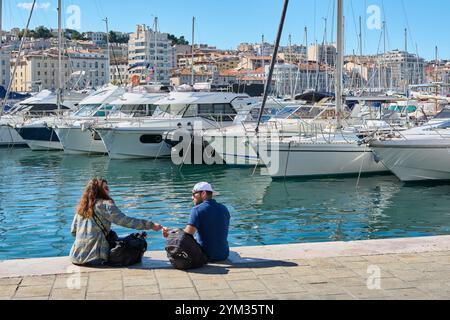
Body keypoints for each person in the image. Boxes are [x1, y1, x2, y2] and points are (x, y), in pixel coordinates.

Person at [70, 178, 162, 266]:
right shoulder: (105, 205)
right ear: (99, 191)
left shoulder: (82, 208)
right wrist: (151, 225)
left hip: (75, 257)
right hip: (94, 259)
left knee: (112, 235)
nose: (108, 190)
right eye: (106, 188)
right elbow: (126, 221)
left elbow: (73, 232)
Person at [163, 182, 230, 262]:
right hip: (224, 255)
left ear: (203, 193)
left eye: (194, 194)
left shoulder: (197, 210)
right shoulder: (224, 208)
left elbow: (185, 236)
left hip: (205, 256)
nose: (192, 197)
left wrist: (170, 234)